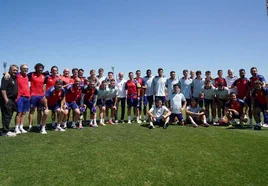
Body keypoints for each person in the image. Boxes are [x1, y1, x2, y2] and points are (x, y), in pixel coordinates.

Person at [0, 64, 19, 137]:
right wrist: (6, 99)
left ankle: (6, 129)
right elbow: (3, 89)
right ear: (10, 70)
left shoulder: (14, 77)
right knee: (6, 115)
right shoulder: (6, 78)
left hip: (12, 100)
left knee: (9, 114)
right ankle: (5, 132)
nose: (15, 71)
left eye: (16, 70)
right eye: (14, 70)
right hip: (7, 99)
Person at [28, 63, 46, 132]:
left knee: (39, 111)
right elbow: (20, 74)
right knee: (32, 111)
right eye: (39, 68)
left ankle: (38, 125)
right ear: (36, 68)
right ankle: (30, 126)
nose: (40, 70)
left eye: (41, 68)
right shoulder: (31, 74)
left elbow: (44, 86)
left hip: (41, 96)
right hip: (33, 95)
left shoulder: (44, 76)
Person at [14, 64, 30, 134]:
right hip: (20, 97)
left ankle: (21, 127)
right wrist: (6, 73)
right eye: (24, 68)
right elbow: (9, 73)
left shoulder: (27, 76)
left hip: (27, 96)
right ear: (20, 69)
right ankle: (16, 128)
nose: (25, 70)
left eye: (27, 68)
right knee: (19, 113)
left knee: (24, 113)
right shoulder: (17, 75)